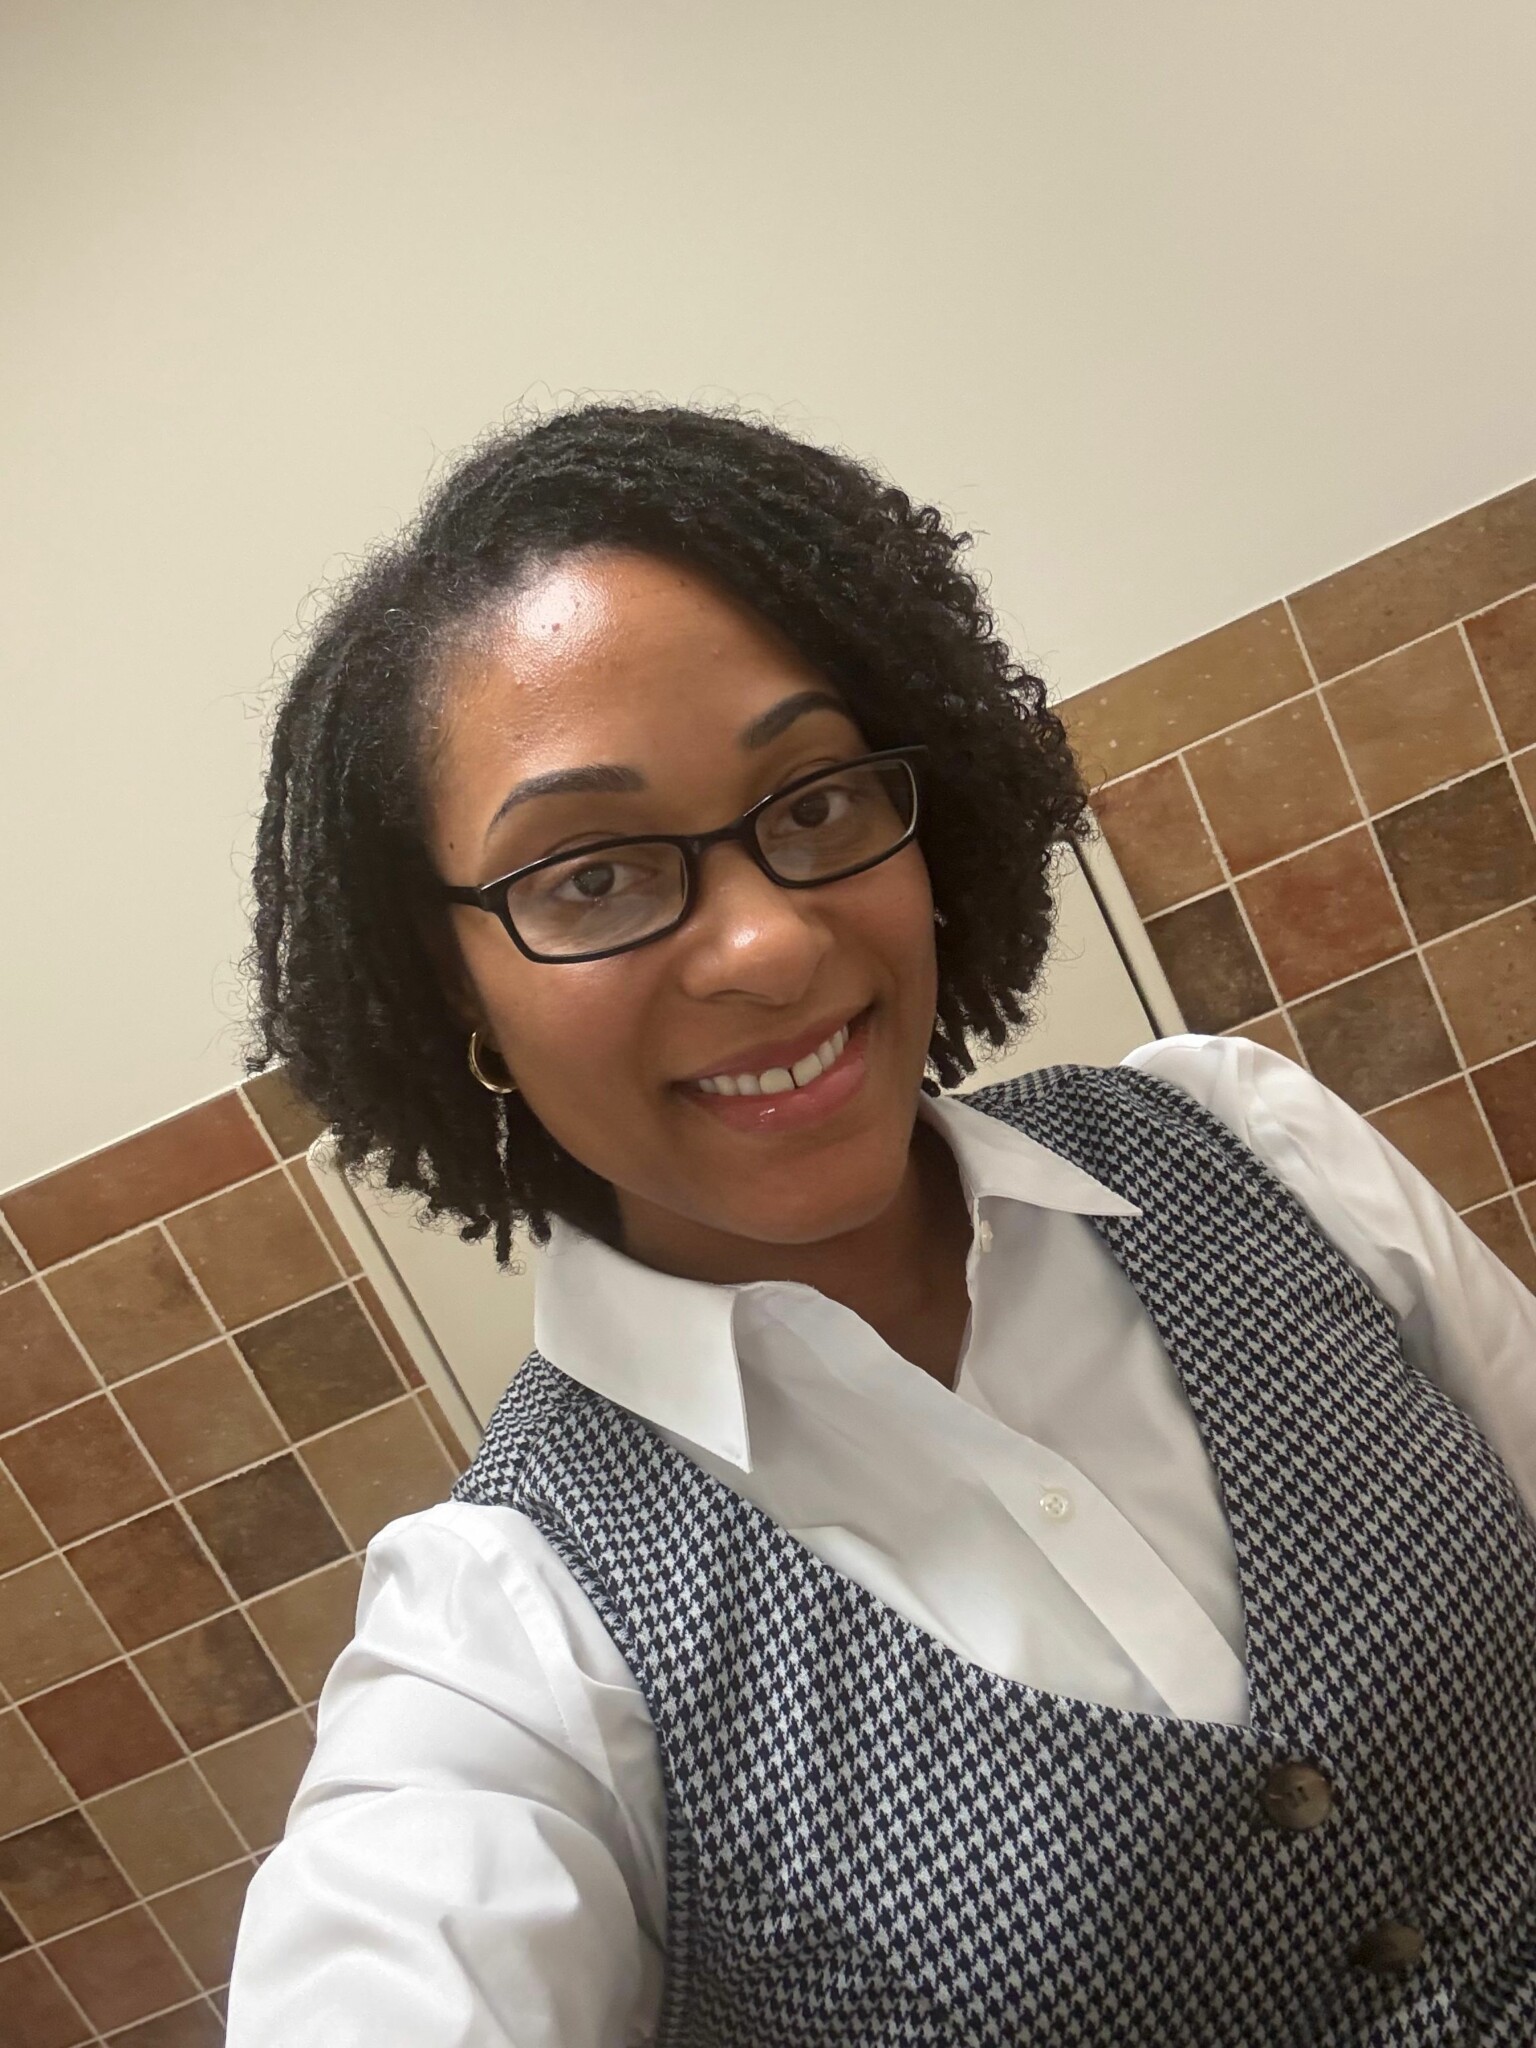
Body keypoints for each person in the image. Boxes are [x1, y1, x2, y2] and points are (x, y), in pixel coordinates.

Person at [226, 403, 1536, 2047]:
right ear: (450, 991)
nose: (769, 944)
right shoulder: (512, 1637)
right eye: (590, 877)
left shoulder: (1247, 1140)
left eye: (814, 801)